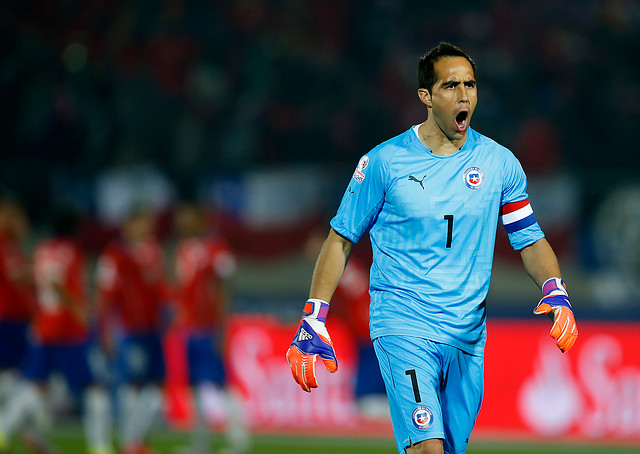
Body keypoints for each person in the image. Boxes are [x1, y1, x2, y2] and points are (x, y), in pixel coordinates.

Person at [286, 42, 578, 454]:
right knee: (428, 448)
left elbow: (529, 239)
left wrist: (555, 288)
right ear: (426, 96)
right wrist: (314, 316)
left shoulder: (500, 164)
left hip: (466, 335)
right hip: (403, 323)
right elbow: (340, 240)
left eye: (471, 85)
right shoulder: (384, 163)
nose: (464, 96)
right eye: (451, 85)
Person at [0, 207, 114, 454]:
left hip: (44, 328)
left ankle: (3, 430)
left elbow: (36, 278)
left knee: (36, 385)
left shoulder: (42, 249)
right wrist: (77, 308)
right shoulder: (70, 250)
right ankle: (100, 446)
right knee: (95, 390)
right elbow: (56, 281)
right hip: (67, 331)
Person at [171, 202, 249, 454]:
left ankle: (239, 441)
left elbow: (225, 287)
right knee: (194, 385)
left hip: (209, 327)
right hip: (189, 328)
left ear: (200, 219)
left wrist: (222, 326)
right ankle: (200, 443)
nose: (182, 222)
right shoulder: (183, 249)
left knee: (220, 383)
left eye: (188, 217)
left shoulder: (216, 248)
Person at [96, 209, 170, 454]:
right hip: (130, 329)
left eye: (148, 223)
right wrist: (105, 329)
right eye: (141, 222)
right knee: (133, 384)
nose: (146, 227)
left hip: (152, 329)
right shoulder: (115, 254)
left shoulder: (153, 250)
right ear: (128, 225)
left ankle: (136, 440)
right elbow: (106, 294)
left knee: (156, 385)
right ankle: (130, 442)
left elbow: (159, 287)